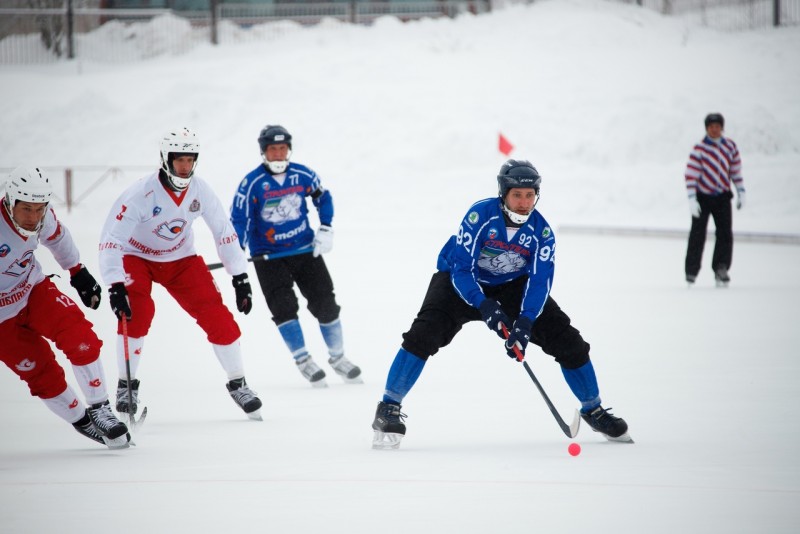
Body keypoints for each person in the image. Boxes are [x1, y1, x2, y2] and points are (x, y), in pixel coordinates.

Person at [370, 160, 631, 450]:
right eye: (517, 195)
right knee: (423, 335)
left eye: (530, 195)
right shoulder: (479, 216)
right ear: (503, 193)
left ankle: (593, 409)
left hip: (512, 286)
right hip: (461, 282)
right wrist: (483, 305)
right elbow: (461, 269)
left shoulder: (542, 233)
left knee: (568, 341)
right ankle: (388, 407)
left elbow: (540, 281)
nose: (523, 203)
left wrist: (526, 322)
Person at [98, 127, 263, 422]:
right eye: (179, 160)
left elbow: (224, 232)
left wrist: (240, 277)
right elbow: (111, 239)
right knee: (137, 312)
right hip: (137, 257)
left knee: (218, 316)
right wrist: (115, 284)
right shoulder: (141, 194)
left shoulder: (200, 190)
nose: (185, 167)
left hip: (180, 259)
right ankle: (126, 386)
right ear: (165, 159)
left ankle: (239, 383)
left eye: (190, 160)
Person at [0, 166, 130, 449]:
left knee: (78, 335)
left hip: (33, 290)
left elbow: (58, 238)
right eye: (27, 210)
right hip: (1, 321)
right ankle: (82, 420)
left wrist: (78, 273)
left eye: (40, 209)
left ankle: (100, 408)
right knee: (41, 374)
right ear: (10, 202)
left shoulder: (42, 218)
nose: (34, 218)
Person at [230, 124, 361, 387]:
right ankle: (303, 360)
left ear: (288, 150)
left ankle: (338, 357)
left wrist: (325, 228)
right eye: (272, 149)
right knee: (284, 307)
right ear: (264, 152)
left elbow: (323, 198)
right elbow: (239, 219)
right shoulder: (252, 183)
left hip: (304, 250)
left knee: (326, 302)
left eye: (282, 148)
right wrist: (236, 251)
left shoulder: (302, 174)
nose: (278, 154)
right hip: (268, 257)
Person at [684, 113, 746, 287]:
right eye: (711, 126)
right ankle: (691, 271)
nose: (714, 129)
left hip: (722, 197)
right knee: (697, 234)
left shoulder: (729, 147)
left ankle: (721, 267)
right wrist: (691, 198)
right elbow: (690, 175)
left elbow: (735, 170)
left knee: (725, 234)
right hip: (703, 197)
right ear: (706, 128)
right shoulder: (700, 149)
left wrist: (741, 191)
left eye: (717, 126)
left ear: (722, 127)